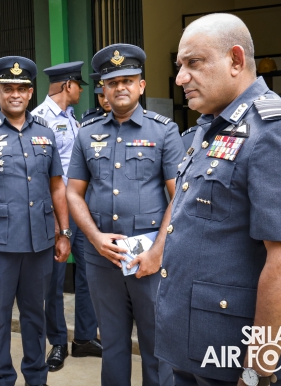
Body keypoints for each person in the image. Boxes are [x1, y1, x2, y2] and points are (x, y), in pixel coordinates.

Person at [155, 13, 281, 386]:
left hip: (236, 359)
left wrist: (257, 369)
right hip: (192, 345)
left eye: (193, 63)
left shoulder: (276, 132)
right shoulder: (210, 127)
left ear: (235, 60)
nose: (181, 78)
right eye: (180, 66)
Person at [66, 43, 182, 386]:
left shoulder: (163, 131)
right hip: (102, 257)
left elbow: (179, 196)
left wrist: (158, 251)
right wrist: (94, 238)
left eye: (127, 80)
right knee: (113, 344)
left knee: (156, 345)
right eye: (112, 82)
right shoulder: (86, 133)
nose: (120, 87)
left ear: (141, 86)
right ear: (102, 89)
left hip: (149, 257)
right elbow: (73, 192)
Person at [0, 56, 71, 386]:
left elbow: (57, 187)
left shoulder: (45, 134)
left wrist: (64, 233)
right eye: (8, 89)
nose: (15, 94)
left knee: (35, 316)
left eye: (22, 88)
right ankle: (2, 379)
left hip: (39, 244)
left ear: (31, 92)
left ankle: (36, 377)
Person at [31, 61, 101, 372]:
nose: (82, 92)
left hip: (80, 205)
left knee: (89, 270)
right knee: (55, 278)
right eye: (78, 86)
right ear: (67, 85)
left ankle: (84, 337)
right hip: (54, 208)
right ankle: (58, 340)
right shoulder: (39, 119)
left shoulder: (73, 119)